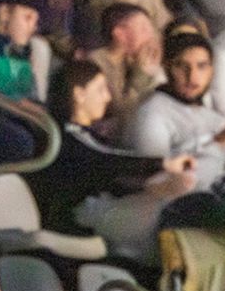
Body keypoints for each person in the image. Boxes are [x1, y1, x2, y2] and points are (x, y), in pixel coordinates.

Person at [30, 58, 198, 265]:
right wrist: (162, 164)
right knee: (165, 209)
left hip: (99, 209)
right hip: (81, 217)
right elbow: (106, 162)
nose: (108, 97)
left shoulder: (88, 136)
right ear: (79, 94)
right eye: (101, 90)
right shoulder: (68, 138)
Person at [124, 30, 225, 188]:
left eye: (202, 66)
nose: (193, 77)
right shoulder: (152, 114)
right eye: (182, 66)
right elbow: (158, 187)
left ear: (212, 70)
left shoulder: (211, 116)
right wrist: (219, 143)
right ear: (166, 66)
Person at [86, 3, 164, 139]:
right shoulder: (96, 64)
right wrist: (141, 74)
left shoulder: (130, 61)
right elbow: (121, 110)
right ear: (119, 34)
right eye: (143, 29)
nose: (151, 35)